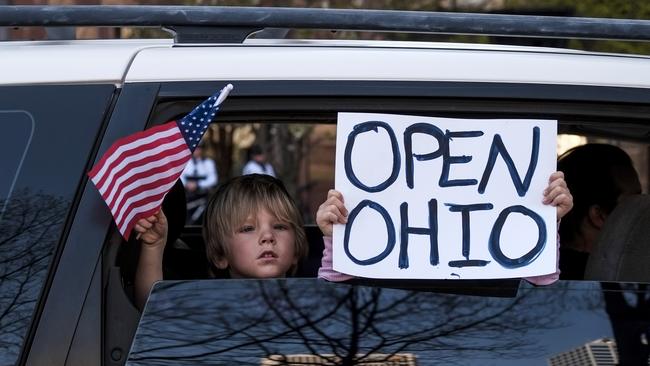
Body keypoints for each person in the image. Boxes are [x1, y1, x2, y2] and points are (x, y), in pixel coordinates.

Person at [316, 171, 573, 285]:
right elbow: (334, 287)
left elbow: (540, 283)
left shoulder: (500, 268)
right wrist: (338, 233)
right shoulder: (376, 272)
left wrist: (545, 219)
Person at [133, 174, 308, 309]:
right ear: (220, 255)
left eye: (279, 227)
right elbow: (153, 308)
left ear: (296, 250)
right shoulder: (206, 305)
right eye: (248, 229)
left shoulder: (312, 300)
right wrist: (154, 247)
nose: (268, 236)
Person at [557, 144, 641, 280]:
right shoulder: (621, 277)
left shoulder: (542, 272)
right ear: (599, 215)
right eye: (632, 202)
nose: (641, 211)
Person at [180, 143, 218, 224]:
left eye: (199, 148)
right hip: (187, 196)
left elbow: (213, 179)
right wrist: (186, 184)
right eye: (195, 148)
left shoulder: (208, 162)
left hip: (203, 196)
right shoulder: (185, 162)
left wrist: (198, 184)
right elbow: (180, 177)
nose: (197, 150)